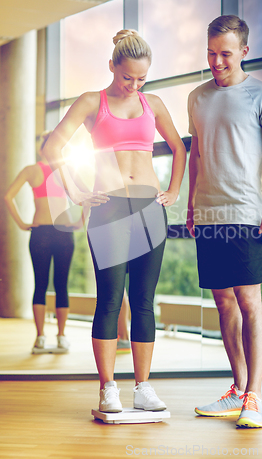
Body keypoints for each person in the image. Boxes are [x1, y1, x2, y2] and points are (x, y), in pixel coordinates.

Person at [43, 29, 186, 413]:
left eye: (141, 78)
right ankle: (108, 388)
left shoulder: (152, 103)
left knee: (143, 301)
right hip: (108, 209)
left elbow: (178, 146)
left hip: (149, 209)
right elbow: (52, 146)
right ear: (111, 66)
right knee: (109, 300)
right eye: (127, 77)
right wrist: (74, 191)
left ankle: (143, 387)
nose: (134, 85)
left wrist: (173, 190)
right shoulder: (92, 102)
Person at [187, 15, 262, 428]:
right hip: (209, 215)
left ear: (244, 51)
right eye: (211, 53)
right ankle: (237, 388)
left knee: (249, 301)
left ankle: (256, 397)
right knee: (223, 300)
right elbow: (196, 153)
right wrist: (193, 204)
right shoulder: (196, 98)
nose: (216, 61)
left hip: (247, 215)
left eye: (225, 54)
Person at [4, 131, 75, 352]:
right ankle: (46, 336)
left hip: (52, 233)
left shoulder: (61, 170)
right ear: (44, 148)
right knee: (52, 285)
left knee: (48, 285)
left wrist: (22, 224)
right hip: (52, 232)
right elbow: (6, 196)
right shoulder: (40, 170)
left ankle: (53, 336)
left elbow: (7, 197)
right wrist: (21, 224)